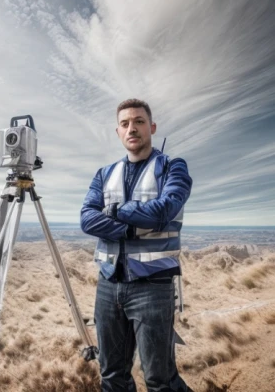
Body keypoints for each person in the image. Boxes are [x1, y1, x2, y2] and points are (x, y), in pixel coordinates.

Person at [80, 99, 193, 392]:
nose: (132, 128)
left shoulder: (172, 167)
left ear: (152, 127)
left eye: (139, 122)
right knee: (112, 375)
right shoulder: (103, 174)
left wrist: (116, 212)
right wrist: (136, 224)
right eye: (125, 123)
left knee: (160, 379)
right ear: (118, 131)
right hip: (108, 285)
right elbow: (88, 220)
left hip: (153, 286)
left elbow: (165, 210)